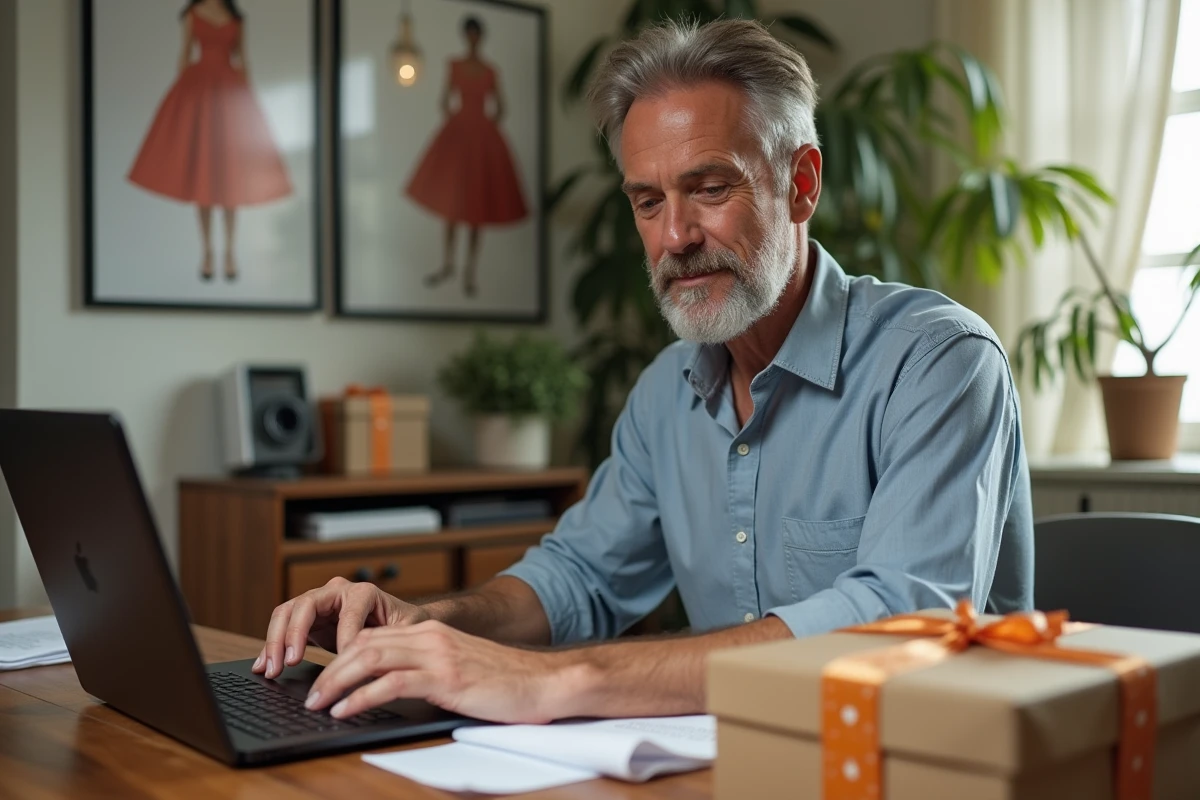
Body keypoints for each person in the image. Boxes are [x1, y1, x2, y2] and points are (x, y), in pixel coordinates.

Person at [254, 19, 1033, 725]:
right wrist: (424, 621)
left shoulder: (938, 362)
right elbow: (578, 578)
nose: (676, 236)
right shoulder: (667, 390)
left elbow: (900, 623)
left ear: (801, 184)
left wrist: (559, 681)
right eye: (647, 202)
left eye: (710, 187)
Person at [127, 0, 292, 282]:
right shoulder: (193, 14)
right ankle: (207, 251)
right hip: (200, 92)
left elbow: (243, 58)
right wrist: (181, 102)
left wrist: (248, 101)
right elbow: (184, 54)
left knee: (231, 177)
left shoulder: (237, 18)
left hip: (229, 94)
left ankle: (228, 251)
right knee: (202, 174)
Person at [405, 16, 529, 298]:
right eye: (469, 33)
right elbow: (443, 99)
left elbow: (501, 105)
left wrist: (485, 128)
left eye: (476, 33)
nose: (472, 38)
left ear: (480, 36)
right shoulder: (455, 66)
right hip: (461, 136)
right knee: (452, 205)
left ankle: (469, 270)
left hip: (479, 138)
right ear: (465, 36)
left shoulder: (490, 71)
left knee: (476, 209)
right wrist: (457, 122)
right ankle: (448, 263)